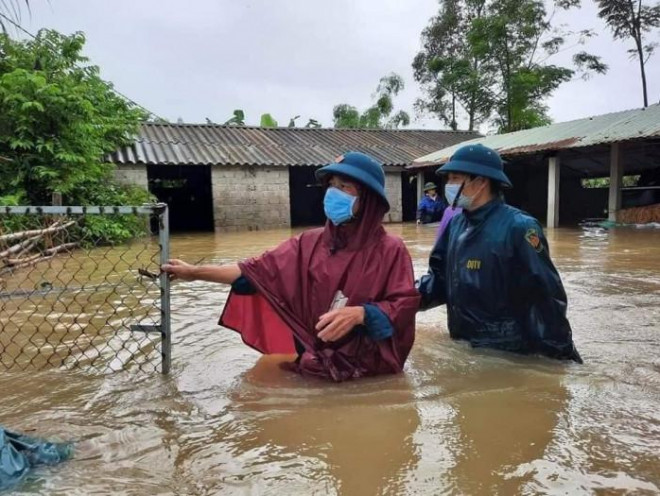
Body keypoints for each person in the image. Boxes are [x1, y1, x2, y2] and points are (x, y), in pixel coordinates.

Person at [162, 152, 420, 382]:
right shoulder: (309, 242)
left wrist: (362, 314)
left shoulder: (391, 249)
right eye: (331, 185)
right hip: (313, 364)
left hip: (368, 374)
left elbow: (404, 305)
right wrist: (193, 273)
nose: (333, 193)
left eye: (344, 186)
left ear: (369, 199)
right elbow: (253, 272)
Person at [417, 144, 582, 362]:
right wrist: (400, 302)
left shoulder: (520, 227)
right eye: (449, 179)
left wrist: (559, 357)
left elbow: (546, 296)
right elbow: (438, 280)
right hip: (464, 349)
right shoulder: (456, 225)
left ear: (481, 181)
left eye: (456, 178)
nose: (449, 185)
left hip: (508, 355)